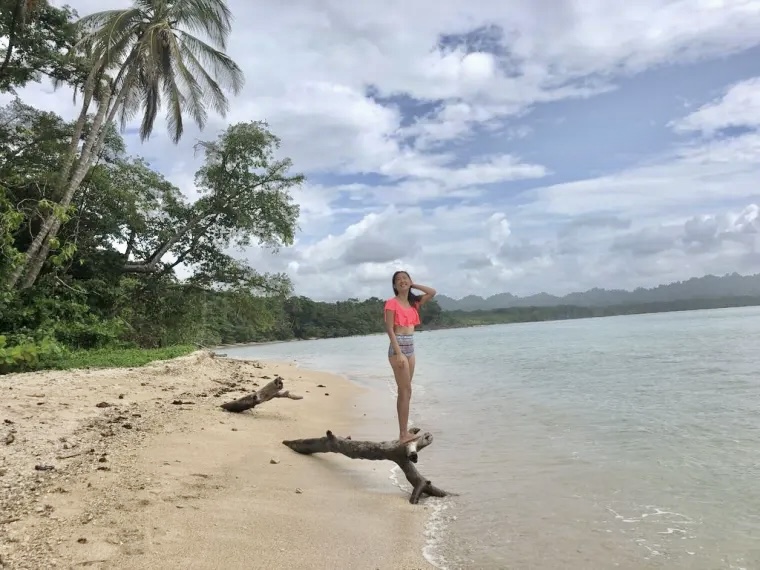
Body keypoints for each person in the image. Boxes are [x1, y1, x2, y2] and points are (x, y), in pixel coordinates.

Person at [383, 270, 437, 444]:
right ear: (394, 285)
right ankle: (403, 434)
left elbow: (432, 292)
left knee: (406, 391)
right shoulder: (391, 303)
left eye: (405, 278)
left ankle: (404, 432)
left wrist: (413, 284)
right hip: (398, 347)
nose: (402, 281)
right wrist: (398, 353)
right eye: (398, 279)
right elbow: (389, 329)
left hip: (410, 347)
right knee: (405, 390)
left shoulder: (414, 302)